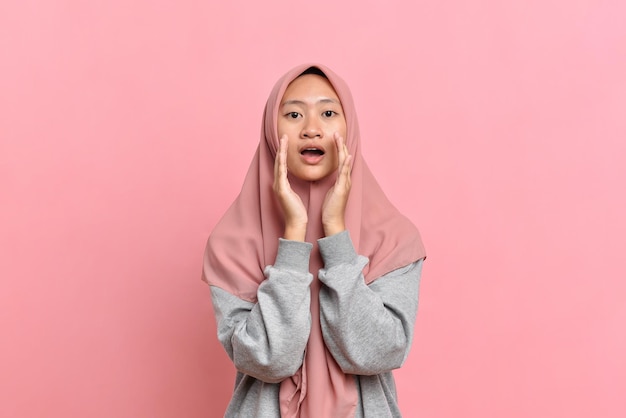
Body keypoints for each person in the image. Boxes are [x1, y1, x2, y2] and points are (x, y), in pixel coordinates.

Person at [202, 63, 426, 418]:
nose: (311, 129)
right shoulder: (231, 244)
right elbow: (269, 360)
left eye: (328, 113)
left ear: (349, 128)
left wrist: (335, 232)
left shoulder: (394, 239)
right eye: (293, 114)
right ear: (271, 131)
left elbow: (377, 352)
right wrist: (293, 239)